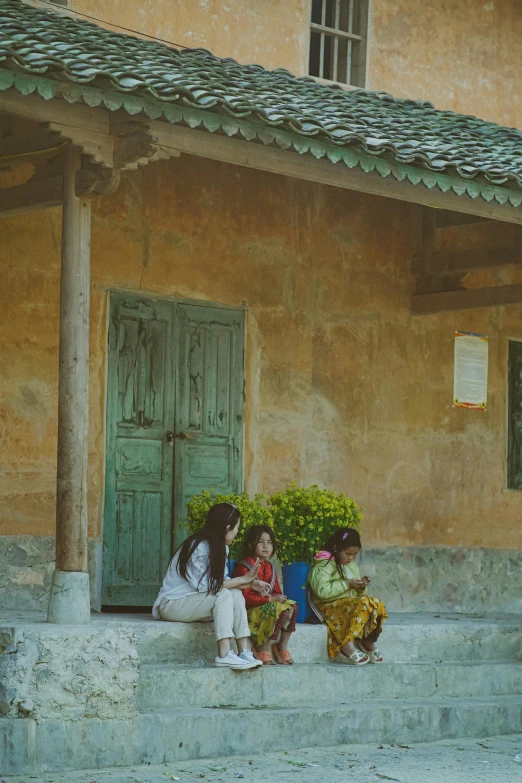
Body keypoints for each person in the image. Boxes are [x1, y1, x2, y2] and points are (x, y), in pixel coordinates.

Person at [152, 502, 270, 670]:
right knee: (224, 594)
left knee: (235, 593)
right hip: (172, 604)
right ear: (227, 527)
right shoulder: (198, 547)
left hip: (195, 603)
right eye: (236, 528)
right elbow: (210, 587)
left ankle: (243, 651)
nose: (237, 532)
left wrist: (251, 583)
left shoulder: (221, 548)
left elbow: (223, 583)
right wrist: (244, 579)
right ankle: (223, 654)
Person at [308, 528, 387, 665]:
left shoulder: (351, 565)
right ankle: (346, 645)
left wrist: (361, 587)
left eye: (354, 555)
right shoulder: (324, 564)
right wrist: (347, 585)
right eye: (348, 553)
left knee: (375, 602)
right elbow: (321, 591)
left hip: (346, 605)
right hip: (327, 607)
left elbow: (358, 596)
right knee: (362, 603)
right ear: (336, 548)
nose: (351, 558)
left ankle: (367, 641)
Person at [233, 525, 298, 665]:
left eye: (269, 543)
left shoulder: (269, 567)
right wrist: (268, 599)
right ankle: (260, 646)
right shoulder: (244, 566)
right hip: (249, 612)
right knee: (272, 608)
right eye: (261, 542)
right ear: (251, 545)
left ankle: (281, 646)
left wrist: (277, 598)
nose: (265, 546)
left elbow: (276, 591)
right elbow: (243, 597)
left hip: (263, 606)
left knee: (291, 606)